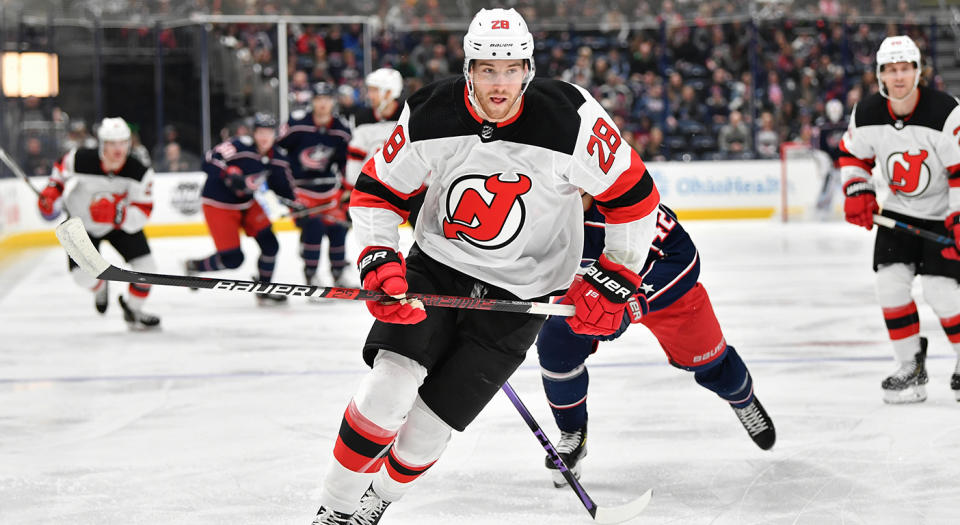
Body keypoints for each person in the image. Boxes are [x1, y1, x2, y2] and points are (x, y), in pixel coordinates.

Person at [310, 8, 661, 524]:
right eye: (488, 70)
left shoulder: (572, 119)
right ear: (469, 67)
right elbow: (376, 192)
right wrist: (378, 257)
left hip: (524, 294)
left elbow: (634, 199)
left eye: (512, 69)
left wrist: (616, 275)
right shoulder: (431, 110)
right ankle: (334, 512)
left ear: (529, 68)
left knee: (430, 428)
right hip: (436, 270)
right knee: (388, 388)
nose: (500, 84)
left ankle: (377, 499)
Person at [537, 196, 776, 488]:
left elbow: (684, 257)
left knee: (712, 363)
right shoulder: (541, 207)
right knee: (556, 342)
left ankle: (742, 398)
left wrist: (632, 305)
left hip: (662, 293)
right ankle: (573, 435)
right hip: (591, 293)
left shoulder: (624, 199)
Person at [840, 35, 960, 404]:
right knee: (890, 287)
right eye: (890, 70)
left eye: (905, 68)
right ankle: (910, 367)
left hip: (944, 214)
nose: (898, 77)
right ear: (880, 75)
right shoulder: (867, 113)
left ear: (918, 71)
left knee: (943, 294)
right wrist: (858, 191)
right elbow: (852, 155)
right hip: (898, 214)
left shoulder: (946, 111)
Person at [37, 117, 161, 330]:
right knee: (82, 278)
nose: (118, 149)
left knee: (147, 269)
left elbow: (143, 210)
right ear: (102, 144)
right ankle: (100, 287)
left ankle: (134, 310)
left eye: (122, 142)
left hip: (117, 225)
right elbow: (59, 171)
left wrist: (118, 215)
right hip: (80, 225)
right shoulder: (81, 158)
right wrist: (52, 190)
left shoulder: (139, 171)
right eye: (112, 143)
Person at [184, 113, 299, 305]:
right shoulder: (239, 146)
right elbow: (209, 160)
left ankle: (264, 289)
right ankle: (195, 266)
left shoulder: (276, 157)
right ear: (253, 133)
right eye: (260, 132)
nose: (264, 137)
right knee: (233, 259)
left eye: (269, 133)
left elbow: (283, 185)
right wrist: (228, 173)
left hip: (246, 203)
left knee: (270, 244)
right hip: (219, 204)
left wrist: (294, 202)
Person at [276, 81, 353, 288]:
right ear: (312, 101)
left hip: (329, 191)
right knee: (314, 227)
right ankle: (311, 275)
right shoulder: (297, 124)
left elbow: (348, 162)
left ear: (332, 102)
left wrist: (349, 189)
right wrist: (285, 189)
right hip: (301, 190)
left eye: (326, 99)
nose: (322, 104)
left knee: (339, 227)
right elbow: (277, 154)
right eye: (318, 99)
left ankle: (339, 273)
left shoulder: (341, 129)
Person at [343, 67, 419, 227]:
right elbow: (355, 158)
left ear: (389, 92)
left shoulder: (410, 116)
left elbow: (421, 154)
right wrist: (353, 189)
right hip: (376, 190)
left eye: (374, 90)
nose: (369, 95)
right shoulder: (362, 117)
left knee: (427, 238)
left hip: (411, 190)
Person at [814, 99, 848, 215]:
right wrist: (825, 160)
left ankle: (851, 209)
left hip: (845, 165)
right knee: (827, 188)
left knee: (848, 188)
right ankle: (821, 210)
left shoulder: (847, 124)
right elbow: (819, 146)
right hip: (831, 165)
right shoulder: (823, 126)